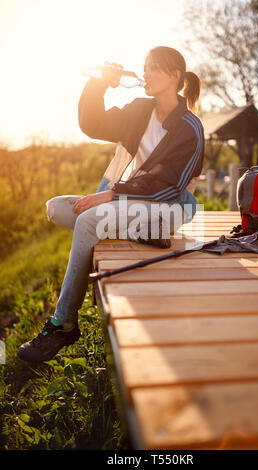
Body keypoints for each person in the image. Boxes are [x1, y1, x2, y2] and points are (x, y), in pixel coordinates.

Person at [18, 46, 205, 363]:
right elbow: (92, 124)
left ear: (174, 76)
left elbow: (169, 186)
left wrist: (113, 194)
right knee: (56, 208)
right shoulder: (139, 110)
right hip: (130, 202)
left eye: (153, 68)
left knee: (88, 222)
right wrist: (100, 82)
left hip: (168, 204)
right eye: (144, 67)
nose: (145, 73)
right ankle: (138, 230)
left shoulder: (189, 127)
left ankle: (63, 322)